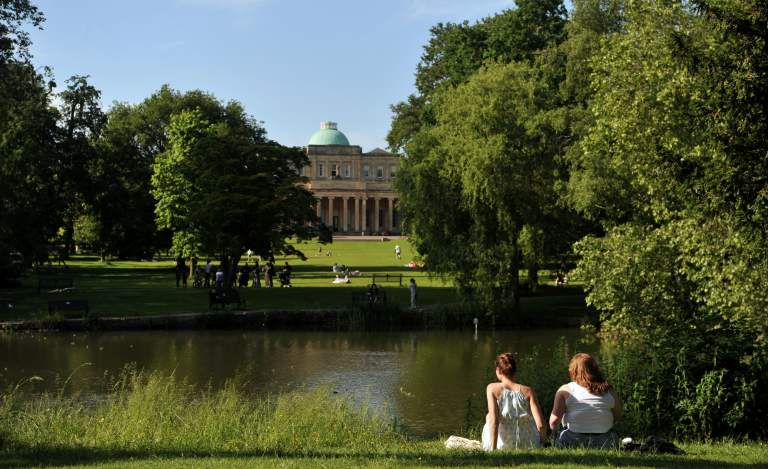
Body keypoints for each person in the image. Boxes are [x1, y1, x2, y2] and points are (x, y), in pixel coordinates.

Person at [549, 353, 621, 449]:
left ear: (573, 370)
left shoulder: (566, 389)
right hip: (606, 442)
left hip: (572, 441)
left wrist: (554, 435)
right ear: (595, 369)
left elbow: (553, 422)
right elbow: (617, 415)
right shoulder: (609, 390)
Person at [482, 353, 546, 450]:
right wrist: (542, 443)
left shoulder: (492, 388)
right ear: (514, 371)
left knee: (489, 416)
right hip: (529, 443)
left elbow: (494, 421)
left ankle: (492, 447)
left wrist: (493, 450)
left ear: (498, 370)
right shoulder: (528, 391)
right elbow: (541, 424)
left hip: (504, 445)